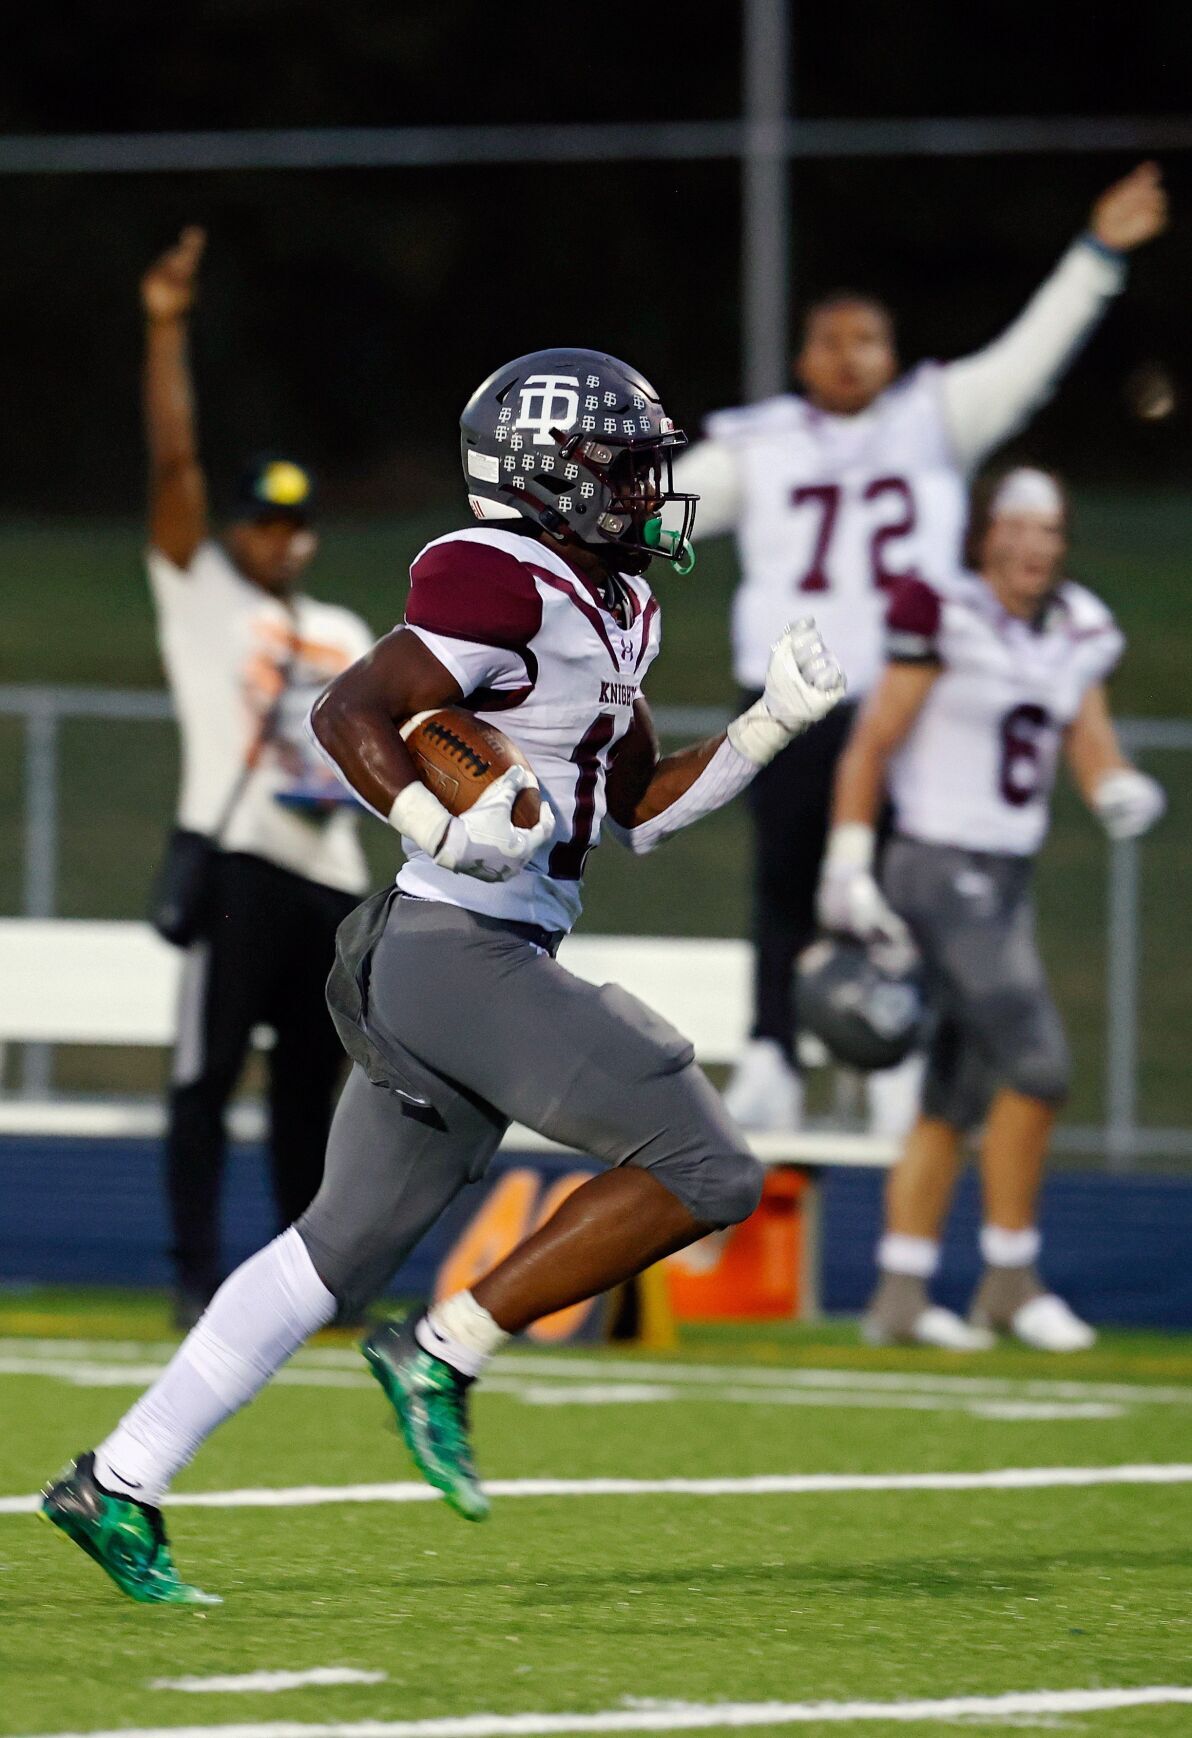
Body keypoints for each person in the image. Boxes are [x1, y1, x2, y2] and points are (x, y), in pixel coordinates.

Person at [41, 346, 845, 1604]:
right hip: (450, 950)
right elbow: (351, 708)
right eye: (624, 465)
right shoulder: (496, 573)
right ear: (548, 475)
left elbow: (633, 811)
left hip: (463, 959)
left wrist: (763, 728)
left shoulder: (618, 602)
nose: (648, 487)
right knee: (708, 1167)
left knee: (330, 1253)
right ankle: (445, 1350)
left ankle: (118, 1478)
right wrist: (434, 819)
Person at [670, 163, 1168, 1135]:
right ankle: (773, 1047)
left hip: (910, 697)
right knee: (783, 874)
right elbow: (654, 518)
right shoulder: (757, 442)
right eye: (830, 341)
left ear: (893, 352)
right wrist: (571, 518)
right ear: (801, 356)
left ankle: (890, 1056)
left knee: (897, 883)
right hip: (788, 693)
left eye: (867, 340)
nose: (849, 357)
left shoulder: (935, 418)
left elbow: (1034, 355)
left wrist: (1097, 256)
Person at [817, 467, 1165, 1351]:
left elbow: (1083, 728)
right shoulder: (944, 610)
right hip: (935, 864)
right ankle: (1011, 1277)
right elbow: (874, 741)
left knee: (958, 1090)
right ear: (985, 535)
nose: (1032, 545)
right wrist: (850, 859)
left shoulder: (1079, 626)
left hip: (1006, 874)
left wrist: (1113, 782)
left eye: (1048, 530)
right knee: (1039, 1067)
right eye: (1016, 526)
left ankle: (900, 1292)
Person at [141, 228, 374, 1326]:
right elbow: (174, 465)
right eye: (262, 519)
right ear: (235, 527)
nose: (279, 538)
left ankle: (300, 1290)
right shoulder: (202, 600)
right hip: (239, 859)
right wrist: (165, 326)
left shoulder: (340, 626)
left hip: (328, 870)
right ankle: (195, 1276)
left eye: (295, 521)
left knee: (307, 1097)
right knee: (206, 1078)